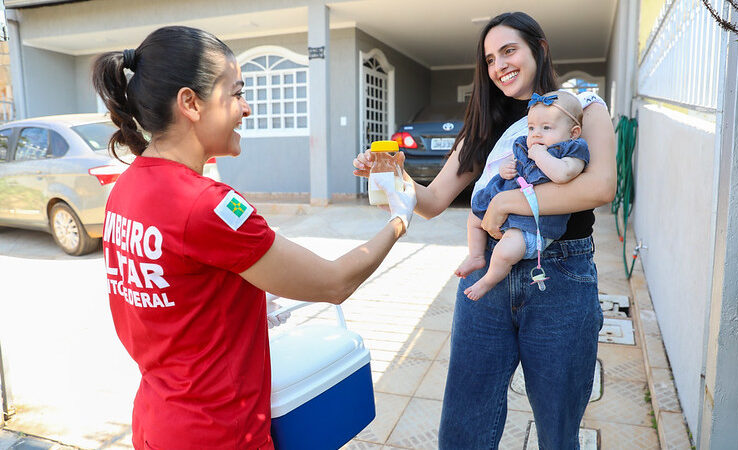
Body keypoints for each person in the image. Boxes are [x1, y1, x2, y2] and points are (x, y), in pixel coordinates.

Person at [94, 26, 415, 450]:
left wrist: (241, 299)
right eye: (236, 93)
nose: (246, 108)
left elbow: (172, 292)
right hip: (222, 433)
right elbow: (335, 282)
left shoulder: (125, 189)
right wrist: (399, 218)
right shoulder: (207, 204)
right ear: (190, 103)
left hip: (159, 423)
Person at [353, 12, 616, 449]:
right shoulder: (483, 123)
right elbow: (434, 201)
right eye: (490, 58)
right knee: (465, 425)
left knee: (558, 426)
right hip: (485, 277)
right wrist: (391, 173)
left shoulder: (582, 106)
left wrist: (506, 201)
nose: (500, 66)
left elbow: (600, 186)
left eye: (509, 51)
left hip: (561, 278)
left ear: (540, 48)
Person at [457, 90, 589, 300]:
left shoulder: (572, 150)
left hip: (532, 223)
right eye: (531, 128)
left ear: (573, 132)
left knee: (505, 252)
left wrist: (540, 155)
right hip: (507, 204)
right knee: (473, 217)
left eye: (546, 128)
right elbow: (514, 166)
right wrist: (505, 169)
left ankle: (488, 281)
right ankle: (475, 255)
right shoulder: (523, 144)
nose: (536, 134)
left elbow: (563, 174)